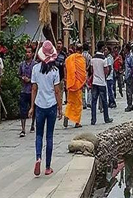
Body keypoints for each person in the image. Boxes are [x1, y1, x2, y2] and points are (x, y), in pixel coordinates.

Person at [29, 40, 62, 177]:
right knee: (49, 136)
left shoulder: (35, 69)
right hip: (51, 105)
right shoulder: (55, 71)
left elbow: (34, 89)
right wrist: (60, 108)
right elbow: (57, 91)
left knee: (38, 135)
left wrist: (32, 107)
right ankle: (48, 167)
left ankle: (38, 157)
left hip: (39, 105)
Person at [63, 44, 86, 128]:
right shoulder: (81, 59)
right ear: (82, 50)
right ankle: (77, 122)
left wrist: (66, 79)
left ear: (76, 49)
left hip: (71, 83)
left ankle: (67, 114)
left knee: (70, 102)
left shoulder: (69, 58)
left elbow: (65, 67)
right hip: (78, 84)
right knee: (78, 104)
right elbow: (83, 73)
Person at [90, 41, 113, 125]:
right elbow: (106, 70)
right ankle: (106, 118)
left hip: (94, 82)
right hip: (102, 82)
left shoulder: (93, 58)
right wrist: (104, 76)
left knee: (93, 101)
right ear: (102, 47)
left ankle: (93, 119)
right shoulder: (104, 59)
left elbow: (91, 70)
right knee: (104, 101)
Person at [18, 45, 36, 137]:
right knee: (23, 110)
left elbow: (37, 77)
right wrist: (22, 78)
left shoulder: (35, 65)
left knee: (33, 109)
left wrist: (30, 80)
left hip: (32, 90)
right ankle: (23, 129)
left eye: (29, 52)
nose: (27, 54)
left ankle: (33, 124)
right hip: (24, 90)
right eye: (26, 52)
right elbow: (19, 75)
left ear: (32, 54)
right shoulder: (22, 65)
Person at [124, 44, 133, 112]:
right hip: (127, 75)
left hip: (130, 76)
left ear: (127, 49)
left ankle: (130, 105)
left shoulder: (131, 57)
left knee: (129, 92)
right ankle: (129, 104)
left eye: (124, 48)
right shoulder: (127, 56)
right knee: (127, 91)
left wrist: (130, 75)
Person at [56, 40, 67, 105]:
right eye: (58, 43)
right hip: (52, 77)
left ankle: (59, 108)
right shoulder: (53, 53)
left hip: (61, 77)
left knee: (60, 94)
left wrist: (65, 77)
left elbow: (65, 66)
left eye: (60, 44)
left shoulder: (64, 55)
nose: (59, 45)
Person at [83, 43, 92, 108]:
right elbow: (90, 65)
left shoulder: (80, 55)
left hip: (81, 73)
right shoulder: (89, 56)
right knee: (89, 87)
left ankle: (83, 103)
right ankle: (89, 101)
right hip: (87, 73)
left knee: (83, 89)